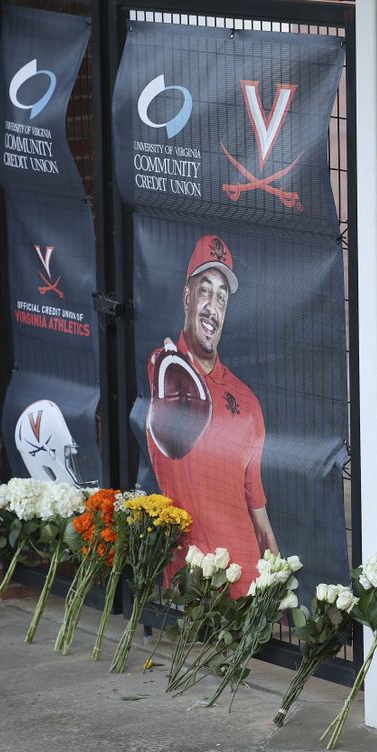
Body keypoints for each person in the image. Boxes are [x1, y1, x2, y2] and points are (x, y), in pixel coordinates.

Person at [145, 233, 278, 598]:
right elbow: (166, 382)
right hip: (193, 593)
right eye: (205, 290)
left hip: (247, 591)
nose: (212, 306)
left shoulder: (248, 403)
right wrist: (174, 365)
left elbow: (260, 518)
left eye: (222, 297)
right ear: (187, 297)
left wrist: (278, 593)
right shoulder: (167, 368)